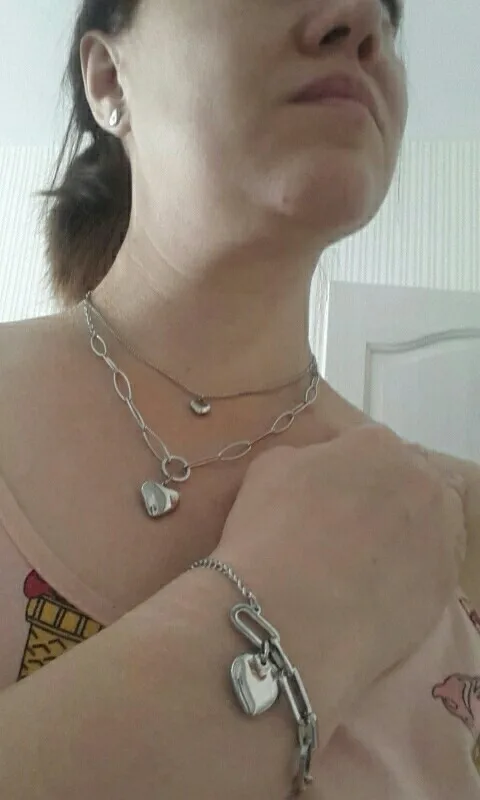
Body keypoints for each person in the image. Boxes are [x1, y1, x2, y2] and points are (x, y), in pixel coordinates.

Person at [0, 0, 478, 797]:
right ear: (109, 77)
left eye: (387, 15)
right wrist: (292, 610)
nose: (361, 22)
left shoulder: (459, 528)